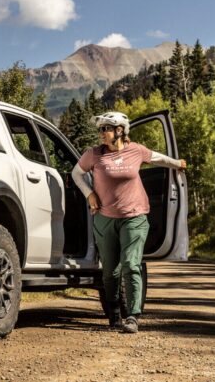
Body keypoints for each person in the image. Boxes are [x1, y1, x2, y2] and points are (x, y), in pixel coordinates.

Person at [70, 111, 186, 333]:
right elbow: (77, 174)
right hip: (104, 219)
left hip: (135, 217)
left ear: (120, 130)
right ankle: (113, 313)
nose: (102, 133)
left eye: (106, 129)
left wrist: (176, 163)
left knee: (131, 265)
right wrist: (89, 194)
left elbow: (157, 158)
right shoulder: (93, 154)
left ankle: (133, 316)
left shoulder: (136, 150)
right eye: (100, 129)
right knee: (110, 272)